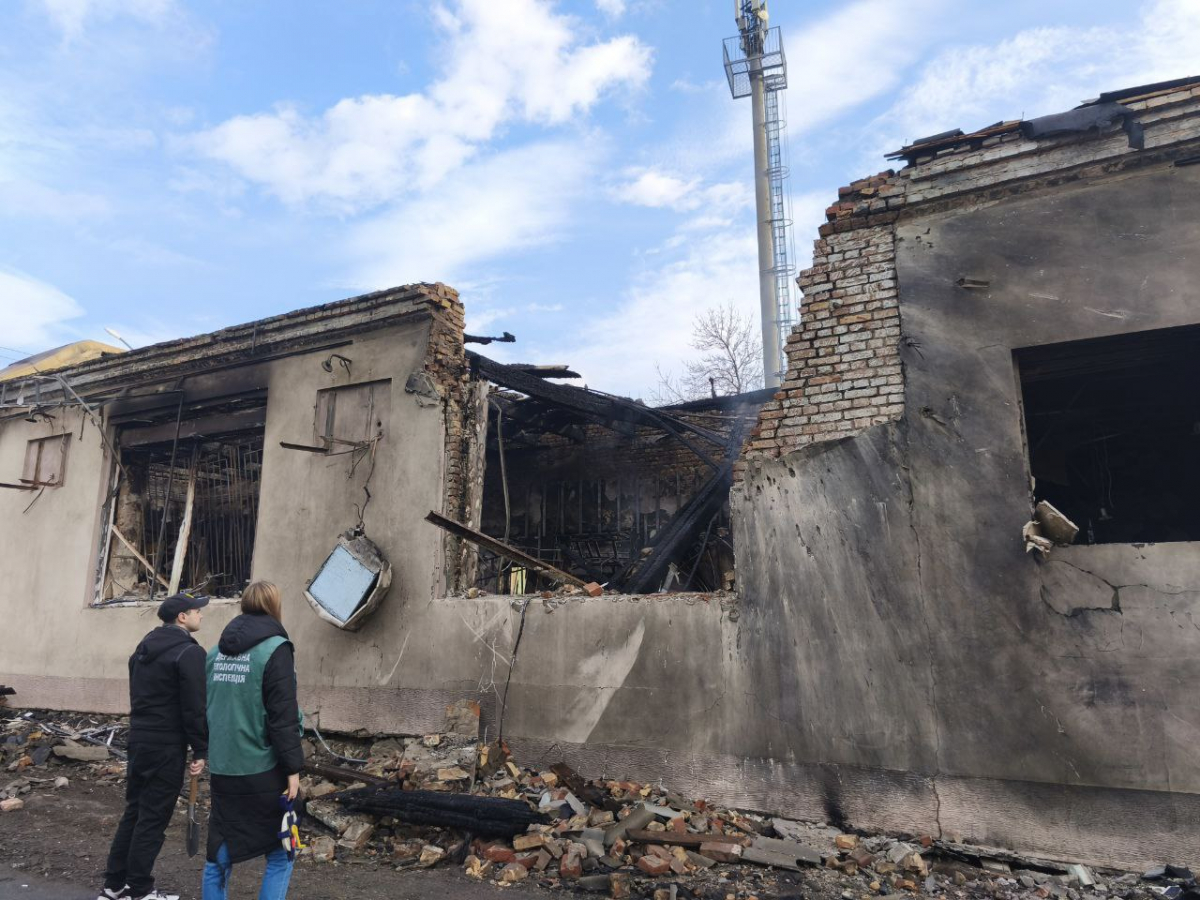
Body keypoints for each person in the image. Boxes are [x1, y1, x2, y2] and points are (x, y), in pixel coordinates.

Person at [98, 592, 209, 900]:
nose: (202, 615)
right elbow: (195, 707)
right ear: (182, 617)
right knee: (152, 818)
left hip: (140, 740)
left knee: (134, 811)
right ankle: (140, 890)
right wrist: (201, 749)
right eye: (197, 611)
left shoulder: (143, 649)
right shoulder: (189, 653)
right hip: (166, 745)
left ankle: (113, 886)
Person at [203, 581, 304, 900]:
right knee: (282, 850)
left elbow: (208, 708)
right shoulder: (276, 649)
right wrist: (293, 769)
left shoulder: (214, 653)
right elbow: (283, 716)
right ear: (275, 606)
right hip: (262, 769)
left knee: (219, 853)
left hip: (222, 768)